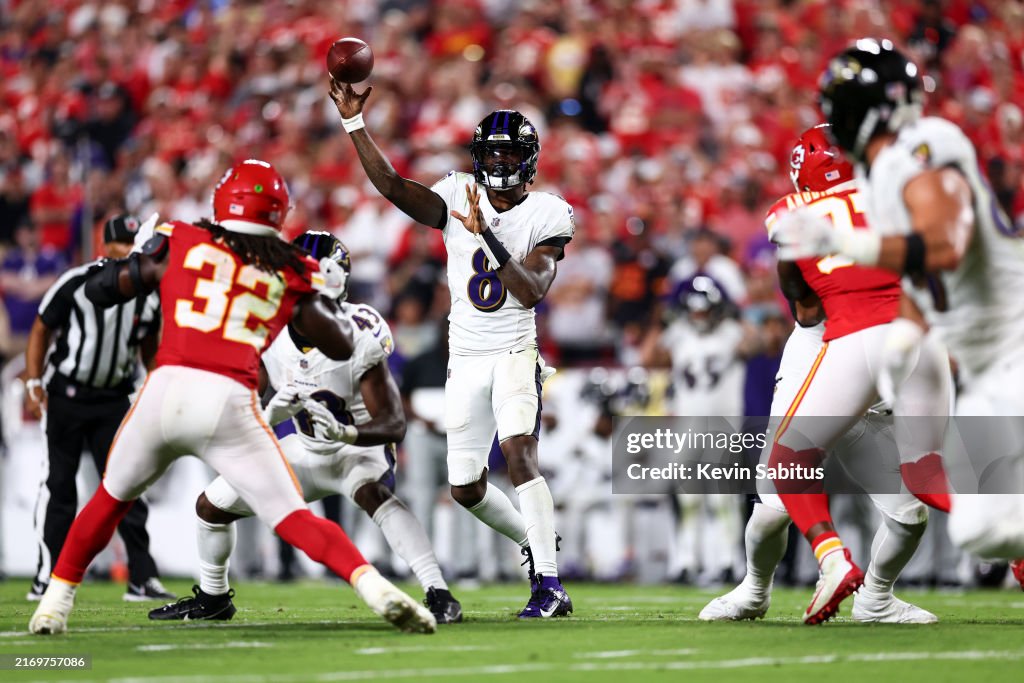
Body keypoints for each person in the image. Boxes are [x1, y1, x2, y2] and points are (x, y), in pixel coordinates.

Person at [28, 159, 435, 635]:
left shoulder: (181, 237)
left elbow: (103, 291)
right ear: (277, 213)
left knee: (109, 499)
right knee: (294, 518)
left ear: (223, 200)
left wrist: (134, 264)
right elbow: (340, 342)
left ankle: (55, 604)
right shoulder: (290, 267)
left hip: (167, 389)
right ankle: (376, 588)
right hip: (228, 402)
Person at [773, 39, 1024, 580]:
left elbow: (944, 247)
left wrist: (851, 247)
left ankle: (835, 564)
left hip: (1001, 335)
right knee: (935, 481)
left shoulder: (923, 148)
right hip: (956, 332)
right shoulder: (884, 169)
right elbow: (915, 271)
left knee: (792, 459)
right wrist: (910, 327)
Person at [330, 80, 574, 618]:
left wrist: (486, 235)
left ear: (529, 159)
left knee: (518, 455)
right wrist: (354, 124)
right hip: (463, 358)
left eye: (510, 152)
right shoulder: (458, 191)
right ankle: (534, 545)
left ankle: (549, 586)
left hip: (513, 348)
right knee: (465, 488)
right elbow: (393, 186)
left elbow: (531, 292)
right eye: (492, 152)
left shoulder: (549, 213)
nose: (500, 161)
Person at [149, 231, 461, 624]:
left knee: (375, 494)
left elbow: (394, 424)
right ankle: (214, 598)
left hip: (356, 449)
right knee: (210, 507)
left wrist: (347, 434)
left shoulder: (361, 332)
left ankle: (438, 591)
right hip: (305, 448)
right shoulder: (267, 332)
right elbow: (244, 407)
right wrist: (269, 416)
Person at [700, 125, 937, 624]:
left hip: (864, 353)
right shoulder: (891, 203)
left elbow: (807, 301)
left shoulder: (807, 214)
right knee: (773, 506)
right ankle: (755, 589)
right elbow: (809, 317)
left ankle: (874, 598)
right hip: (824, 354)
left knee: (907, 511)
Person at [24, 213, 172, 604]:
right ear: (106, 247)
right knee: (60, 487)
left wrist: (153, 388)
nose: (129, 251)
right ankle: (48, 574)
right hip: (67, 397)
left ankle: (142, 577)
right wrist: (33, 380)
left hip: (113, 400)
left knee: (128, 487)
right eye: (122, 244)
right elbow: (42, 327)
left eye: (133, 244)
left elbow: (148, 348)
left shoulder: (149, 293)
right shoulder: (75, 282)